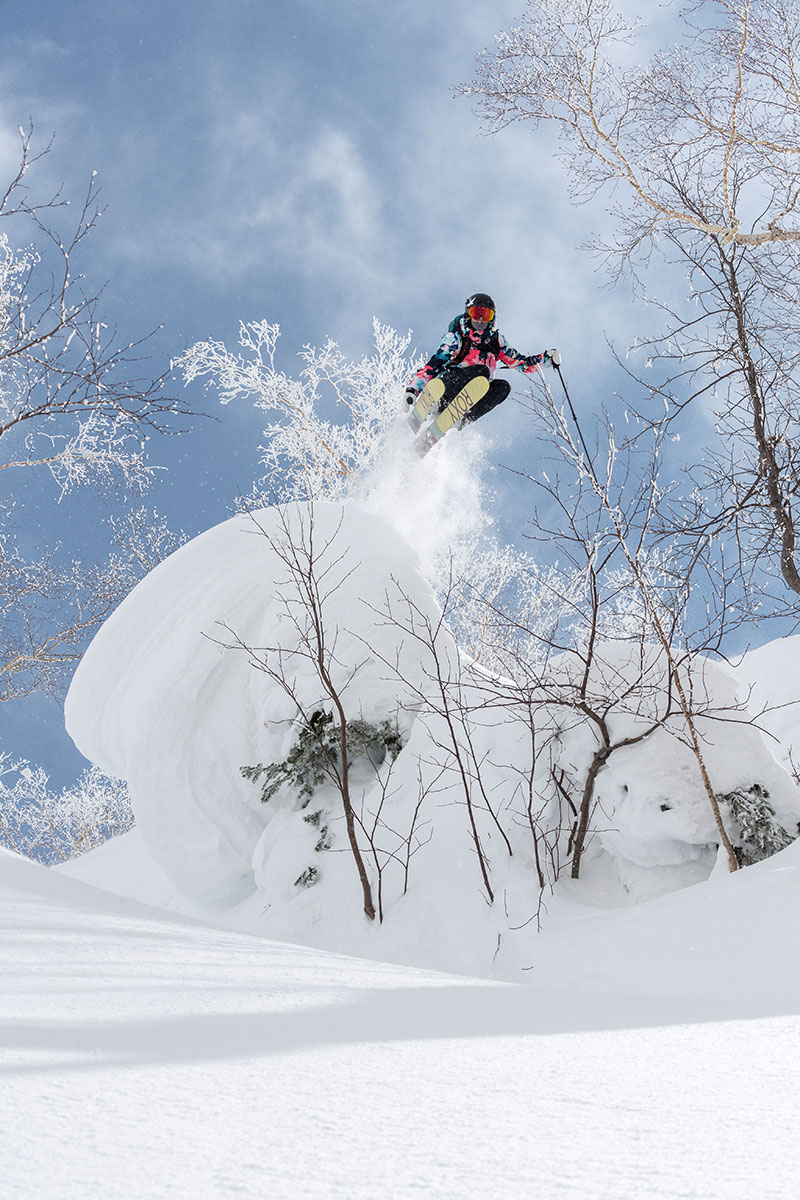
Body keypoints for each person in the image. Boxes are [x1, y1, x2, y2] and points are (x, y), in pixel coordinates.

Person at [404, 292, 560, 425]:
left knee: (503, 387)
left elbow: (521, 363)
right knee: (482, 371)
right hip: (449, 383)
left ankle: (459, 420)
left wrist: (546, 358)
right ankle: (436, 404)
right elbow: (434, 364)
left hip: (471, 393)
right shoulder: (457, 337)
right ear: (468, 314)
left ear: (492, 318)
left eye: (485, 315)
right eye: (476, 313)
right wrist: (413, 389)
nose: (480, 319)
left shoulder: (496, 342)